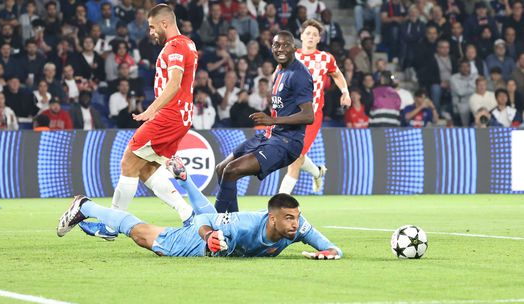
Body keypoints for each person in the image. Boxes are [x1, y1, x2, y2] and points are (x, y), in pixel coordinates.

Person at [78, 4, 199, 240]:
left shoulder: (174, 46)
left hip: (169, 115)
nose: (151, 32)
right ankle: (188, 215)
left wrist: (151, 110)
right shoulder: (189, 43)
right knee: (146, 169)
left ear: (165, 23)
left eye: (153, 27)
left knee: (128, 162)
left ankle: (112, 226)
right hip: (182, 116)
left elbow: (174, 83)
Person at [57, 185, 342, 259]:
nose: (296, 223)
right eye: (289, 218)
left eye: (297, 216)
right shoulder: (243, 224)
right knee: (141, 235)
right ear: (272, 218)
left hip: (211, 244)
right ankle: (86, 205)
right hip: (197, 242)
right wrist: (207, 236)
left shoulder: (298, 228)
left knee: (143, 233)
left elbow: (332, 249)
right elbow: (204, 218)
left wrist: (330, 253)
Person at [215, 30, 314, 213]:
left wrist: (272, 119)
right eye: (277, 45)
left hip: (286, 142)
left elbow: (309, 116)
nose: (281, 49)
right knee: (222, 169)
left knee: (231, 171)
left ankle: (216, 225)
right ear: (272, 48)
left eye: (286, 45)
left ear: (294, 47)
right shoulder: (279, 70)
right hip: (269, 136)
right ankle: (234, 224)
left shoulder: (299, 75)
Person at [278, 20, 350, 195]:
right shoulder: (290, 57)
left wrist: (345, 92)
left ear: (319, 39)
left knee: (295, 158)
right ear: (301, 36)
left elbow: (337, 75)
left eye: (315, 34)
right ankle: (317, 172)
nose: (311, 37)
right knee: (292, 154)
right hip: (290, 114)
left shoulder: (325, 58)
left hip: (311, 115)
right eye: (308, 33)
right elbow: (277, 81)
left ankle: (279, 202)